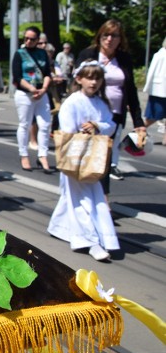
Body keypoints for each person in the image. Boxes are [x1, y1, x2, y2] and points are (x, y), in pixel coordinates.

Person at [47, 61, 117, 261]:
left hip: (94, 156)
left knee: (84, 196)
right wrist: (82, 131)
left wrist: (98, 125)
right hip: (76, 156)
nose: (93, 82)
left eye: (97, 78)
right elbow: (66, 130)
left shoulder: (102, 103)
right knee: (81, 199)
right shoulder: (72, 102)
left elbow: (110, 125)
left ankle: (59, 226)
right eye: (89, 78)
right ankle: (90, 240)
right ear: (79, 79)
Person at [76, 19, 144, 187]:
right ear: (100, 36)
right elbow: (77, 81)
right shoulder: (89, 54)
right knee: (89, 156)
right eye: (106, 35)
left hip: (115, 115)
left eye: (115, 36)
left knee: (104, 157)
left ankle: (103, 199)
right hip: (91, 114)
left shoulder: (124, 58)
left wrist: (138, 122)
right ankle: (85, 194)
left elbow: (131, 90)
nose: (110, 39)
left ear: (120, 39)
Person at [13, 26, 53, 173]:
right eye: (26, 38)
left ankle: (43, 155)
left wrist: (43, 89)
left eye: (32, 39)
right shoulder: (19, 54)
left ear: (38, 40)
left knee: (45, 124)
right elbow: (17, 76)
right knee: (25, 124)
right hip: (25, 94)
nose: (28, 41)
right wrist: (32, 89)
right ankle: (24, 154)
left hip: (41, 94)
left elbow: (48, 73)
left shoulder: (42, 53)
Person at [143, 37, 166, 143]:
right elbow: (151, 71)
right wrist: (147, 87)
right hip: (159, 90)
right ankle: (139, 129)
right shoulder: (159, 55)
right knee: (154, 115)